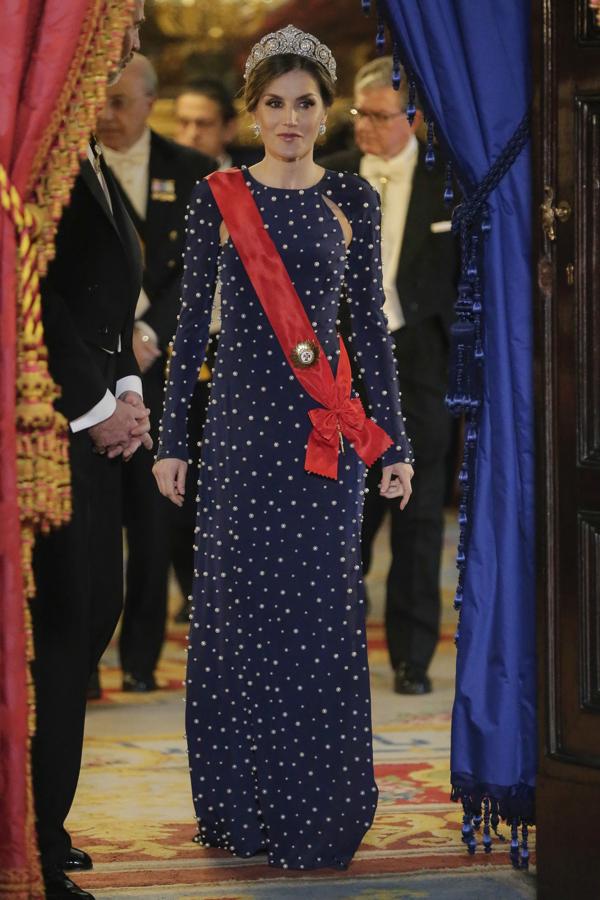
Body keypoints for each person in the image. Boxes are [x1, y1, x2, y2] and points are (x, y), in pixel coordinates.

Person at [153, 25, 413, 870]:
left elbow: (369, 334)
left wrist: (394, 443)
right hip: (238, 436)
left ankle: (319, 811)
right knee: (237, 623)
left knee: (320, 623)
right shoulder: (217, 196)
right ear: (252, 111)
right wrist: (171, 440)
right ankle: (245, 808)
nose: (291, 119)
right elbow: (191, 326)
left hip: (322, 444)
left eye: (305, 104)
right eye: (276, 104)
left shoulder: (354, 199)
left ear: (323, 109)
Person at [31, 3, 150, 898]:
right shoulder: (40, 153)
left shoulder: (84, 146)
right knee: (63, 630)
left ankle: (45, 819)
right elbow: (35, 291)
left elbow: (109, 301)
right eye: (126, 24)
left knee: (90, 620)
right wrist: (94, 402)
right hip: (57, 430)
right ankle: (30, 834)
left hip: (103, 423)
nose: (137, 40)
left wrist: (132, 391)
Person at [321, 56, 458, 696]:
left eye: (380, 116)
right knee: (342, 517)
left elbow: (464, 283)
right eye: (360, 114)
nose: (366, 127)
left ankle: (410, 657)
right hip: (342, 378)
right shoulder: (331, 178)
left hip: (422, 375)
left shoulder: (448, 181)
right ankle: (335, 648)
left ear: (415, 117)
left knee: (419, 517)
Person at [96, 53, 216, 692]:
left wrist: (149, 334)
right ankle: (85, 660)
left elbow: (202, 272)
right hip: (88, 368)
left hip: (161, 370)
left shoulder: (192, 172)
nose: (107, 114)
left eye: (121, 101)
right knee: (90, 524)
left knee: (151, 520)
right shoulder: (72, 162)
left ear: (150, 103)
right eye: (100, 100)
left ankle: (141, 661)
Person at [174, 78, 262, 168]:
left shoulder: (254, 174)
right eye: (184, 123)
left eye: (203, 124)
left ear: (229, 129)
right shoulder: (162, 171)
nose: (192, 134)